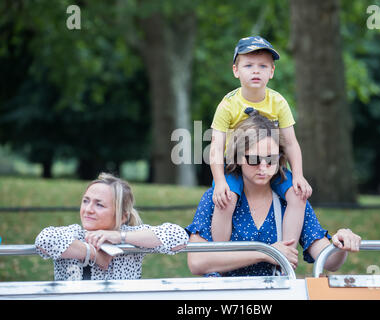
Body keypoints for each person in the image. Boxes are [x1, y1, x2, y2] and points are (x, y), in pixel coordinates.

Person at [187, 113, 361, 277]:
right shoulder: (218, 196)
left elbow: (329, 261)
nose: (263, 167)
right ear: (238, 157)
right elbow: (197, 261)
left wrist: (341, 244)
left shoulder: (290, 199)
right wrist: (265, 252)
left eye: (271, 159)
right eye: (254, 160)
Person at [209, 36, 312, 250]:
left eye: (263, 66)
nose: (256, 71)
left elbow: (291, 143)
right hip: (237, 167)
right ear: (236, 70)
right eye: (248, 65)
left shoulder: (278, 102)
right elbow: (217, 148)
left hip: (271, 166)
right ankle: (219, 252)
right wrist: (219, 182)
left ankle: (286, 251)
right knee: (226, 199)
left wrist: (298, 175)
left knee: (297, 195)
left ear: (272, 71)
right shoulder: (228, 105)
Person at [35, 173, 189, 281]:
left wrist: (120, 237)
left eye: (99, 204)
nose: (88, 209)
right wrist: (93, 254)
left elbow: (179, 237)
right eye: (85, 201)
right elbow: (44, 240)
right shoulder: (73, 234)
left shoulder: (133, 237)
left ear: (122, 216)